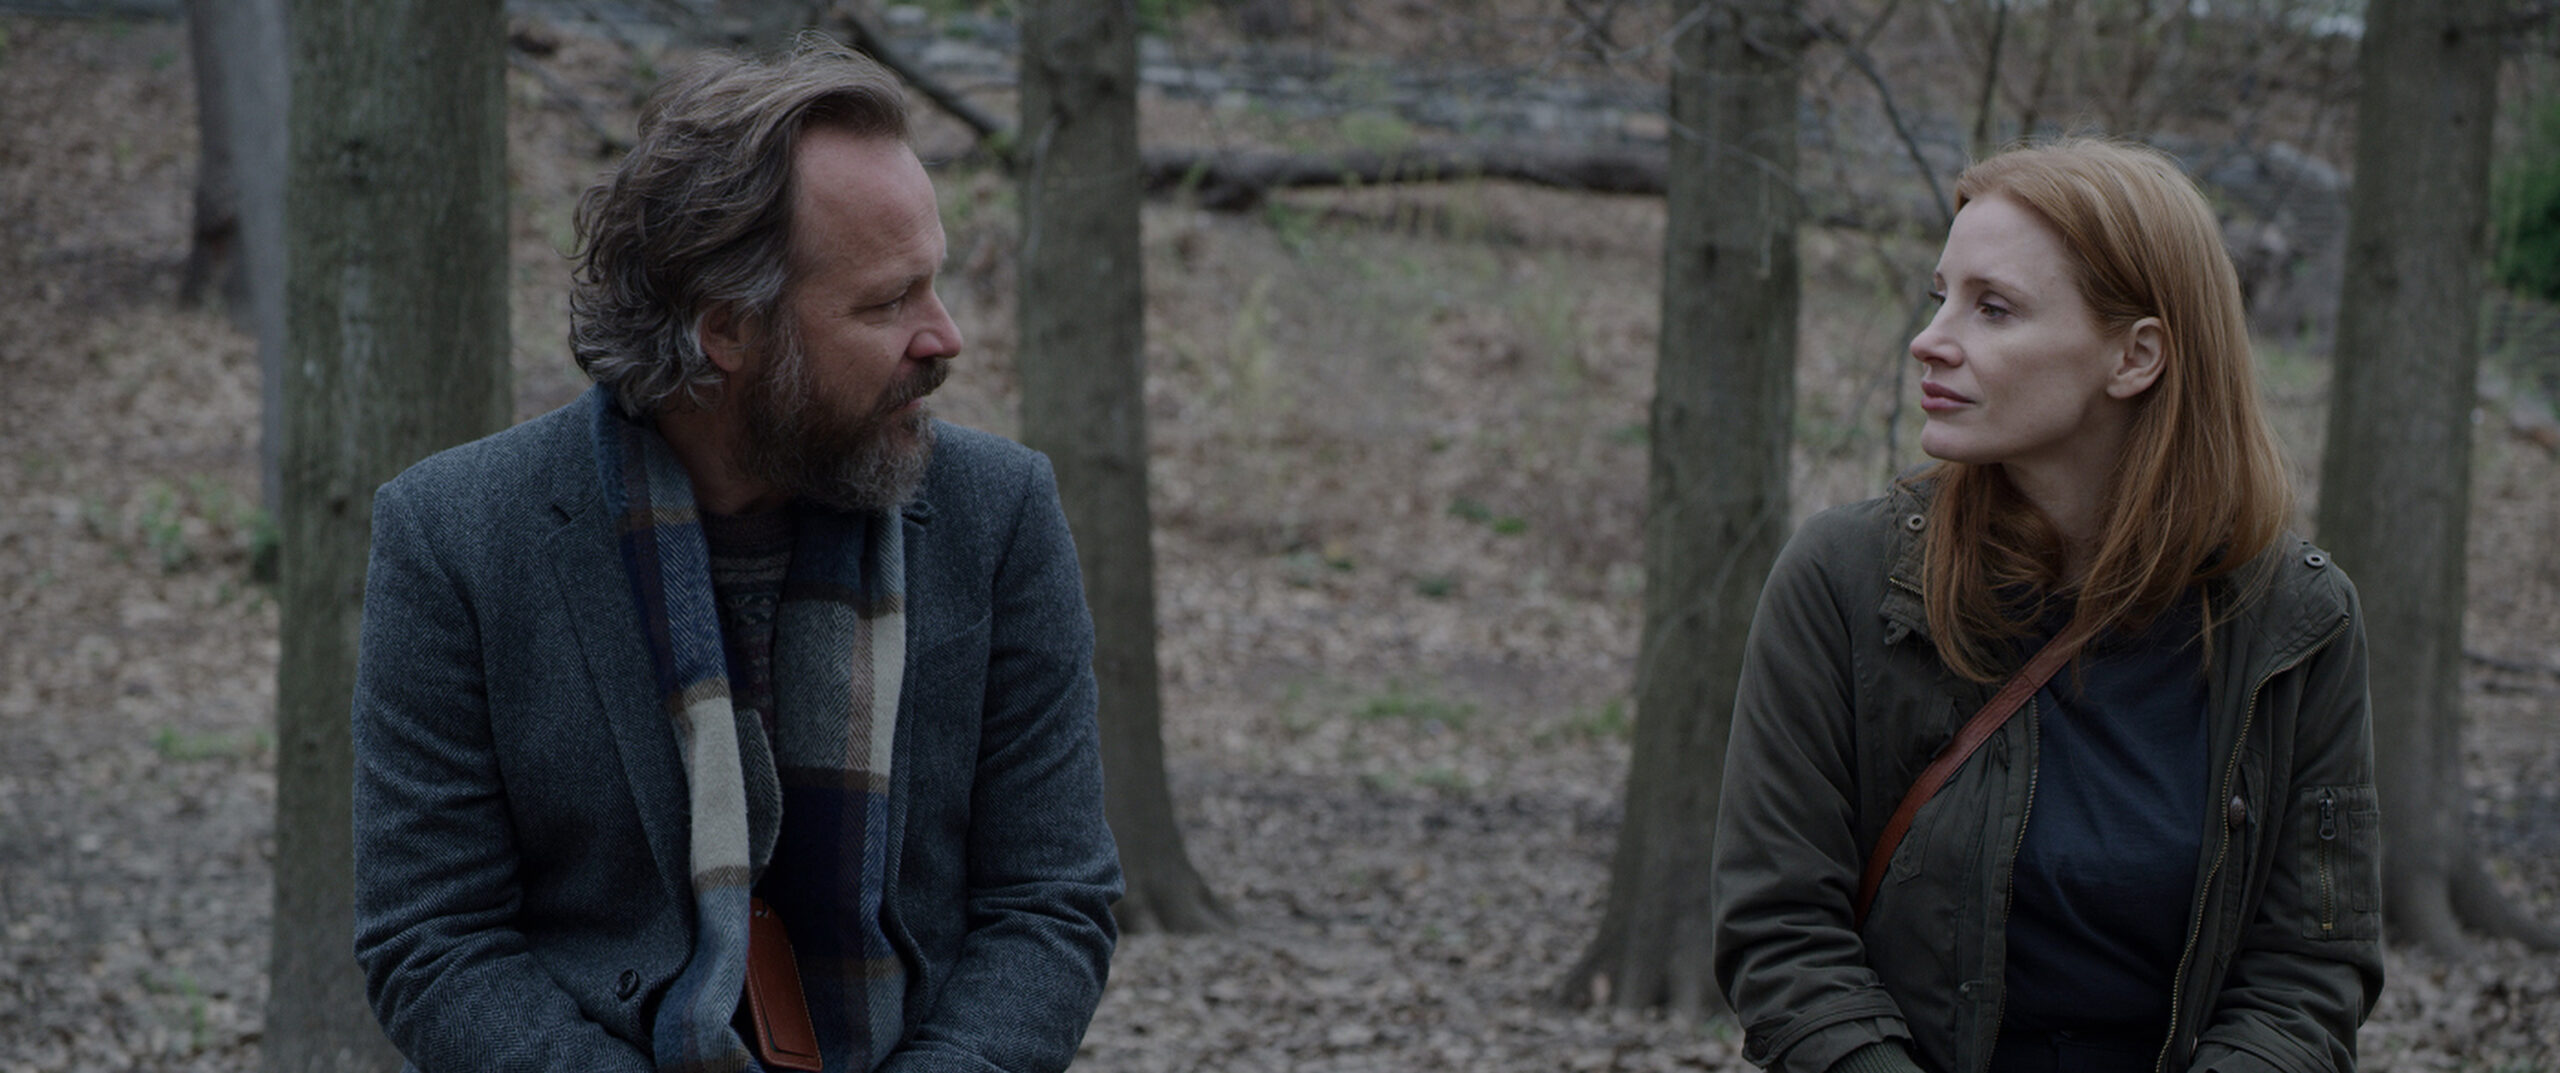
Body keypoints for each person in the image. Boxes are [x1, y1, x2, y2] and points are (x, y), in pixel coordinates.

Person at [350, 41, 1121, 1073]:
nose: (944, 338)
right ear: (727, 329)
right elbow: (432, 938)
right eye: (887, 302)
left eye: (931, 286)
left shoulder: (1001, 514)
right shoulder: (455, 537)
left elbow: (1050, 900)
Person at [1710, 139, 2381, 1073]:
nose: (1930, 336)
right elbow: (1781, 934)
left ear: (2135, 355)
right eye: (1940, 293)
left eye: (1993, 307)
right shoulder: (1845, 582)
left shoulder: (2297, 624)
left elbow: (2308, 974)